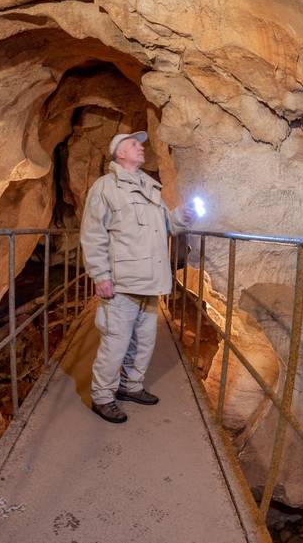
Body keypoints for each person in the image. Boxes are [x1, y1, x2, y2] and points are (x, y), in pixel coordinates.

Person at [79, 131, 193, 423]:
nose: (141, 147)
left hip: (151, 280)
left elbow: (167, 225)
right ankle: (103, 396)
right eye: (133, 144)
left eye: (140, 143)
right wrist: (100, 275)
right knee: (116, 341)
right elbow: (93, 235)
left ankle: (131, 387)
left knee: (144, 340)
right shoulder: (105, 188)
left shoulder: (150, 187)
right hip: (122, 282)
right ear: (119, 152)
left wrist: (183, 216)